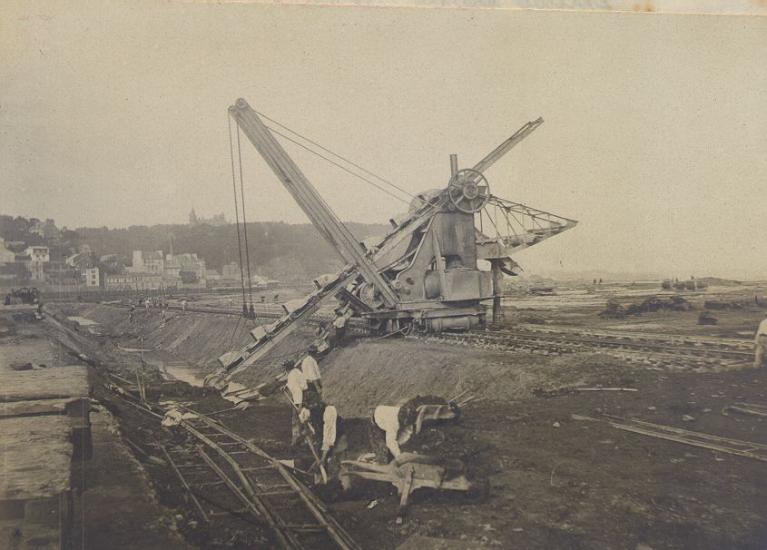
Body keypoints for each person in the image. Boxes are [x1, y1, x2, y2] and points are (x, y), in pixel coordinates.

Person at [284, 360, 308, 445]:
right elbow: (297, 383)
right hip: (305, 394)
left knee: (297, 418)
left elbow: (297, 390)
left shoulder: (291, 376)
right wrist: (286, 386)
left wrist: (299, 405)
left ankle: (297, 437)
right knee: (304, 416)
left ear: (287, 368)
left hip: (300, 398)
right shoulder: (296, 371)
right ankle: (303, 436)